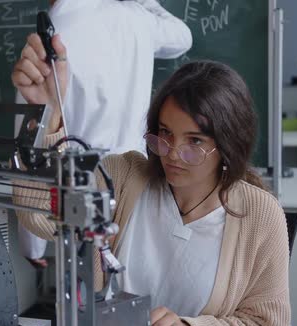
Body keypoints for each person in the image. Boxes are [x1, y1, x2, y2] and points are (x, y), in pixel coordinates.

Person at [12, 33, 291, 326]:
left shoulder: (260, 215)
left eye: (194, 141)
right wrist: (50, 116)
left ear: (228, 145)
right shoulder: (123, 177)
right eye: (165, 133)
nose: (171, 153)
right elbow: (39, 211)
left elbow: (266, 325)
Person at [15, 0, 192, 266]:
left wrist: (33, 247)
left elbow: (35, 141)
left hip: (76, 204)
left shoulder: (49, 41)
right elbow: (183, 37)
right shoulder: (136, 17)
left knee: (89, 294)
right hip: (140, 189)